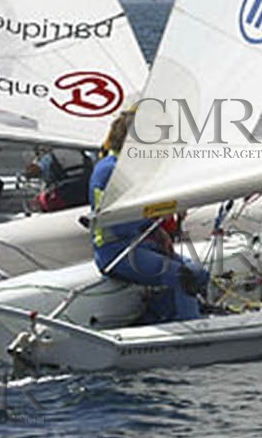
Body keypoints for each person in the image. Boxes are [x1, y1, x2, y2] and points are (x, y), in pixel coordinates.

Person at [90, 109, 210, 323]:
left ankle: (157, 316)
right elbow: (119, 225)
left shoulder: (133, 168)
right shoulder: (111, 171)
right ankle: (191, 325)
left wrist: (159, 230)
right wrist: (160, 215)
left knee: (199, 274)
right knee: (182, 276)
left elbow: (140, 216)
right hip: (116, 251)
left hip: (140, 246)